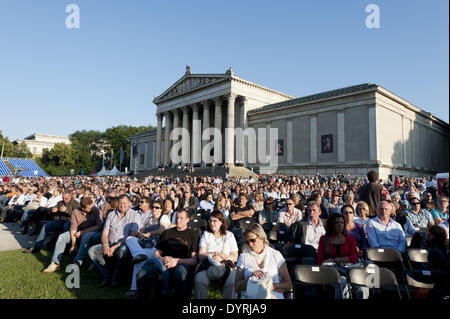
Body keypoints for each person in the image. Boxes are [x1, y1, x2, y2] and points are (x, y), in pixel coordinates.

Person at [136, 209, 199, 299]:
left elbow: (194, 261)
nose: (178, 220)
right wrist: (162, 258)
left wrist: (177, 261)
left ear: (187, 220)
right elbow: (157, 253)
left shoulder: (193, 234)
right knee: (141, 274)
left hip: (182, 263)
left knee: (180, 273)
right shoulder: (166, 233)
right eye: (177, 218)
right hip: (163, 262)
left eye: (181, 218)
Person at [88, 195, 140, 288]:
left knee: (122, 251)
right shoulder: (111, 214)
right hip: (110, 243)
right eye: (120, 203)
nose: (122, 205)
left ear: (129, 204)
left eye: (124, 203)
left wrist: (115, 246)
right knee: (92, 251)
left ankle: (116, 279)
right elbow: (104, 233)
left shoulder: (134, 215)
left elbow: (132, 236)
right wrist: (105, 245)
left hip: (124, 244)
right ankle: (107, 275)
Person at [41, 197, 102, 272]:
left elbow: (98, 226)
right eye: (89, 208)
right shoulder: (76, 212)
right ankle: (55, 263)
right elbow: (73, 229)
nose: (92, 208)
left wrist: (83, 232)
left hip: (92, 231)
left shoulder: (95, 210)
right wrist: (73, 245)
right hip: (77, 232)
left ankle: (77, 262)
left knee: (86, 237)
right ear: (83, 208)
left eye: (92, 206)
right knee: (62, 237)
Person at [125, 199, 171, 296]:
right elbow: (142, 231)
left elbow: (161, 230)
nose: (154, 209)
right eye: (153, 207)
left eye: (157, 207)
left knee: (139, 260)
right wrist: (141, 235)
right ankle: (138, 254)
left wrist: (147, 234)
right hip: (143, 244)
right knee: (129, 238)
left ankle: (134, 288)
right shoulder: (148, 219)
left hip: (155, 247)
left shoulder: (164, 217)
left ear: (161, 209)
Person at [234, 223, 292, 299]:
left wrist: (270, 286)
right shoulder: (243, 257)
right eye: (247, 242)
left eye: (252, 240)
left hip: (273, 295)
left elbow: (288, 284)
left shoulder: (276, 255)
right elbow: (237, 287)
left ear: (261, 237)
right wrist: (250, 279)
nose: (250, 244)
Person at [194, 210, 238, 299]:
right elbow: (201, 255)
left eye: (214, 221)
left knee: (231, 282)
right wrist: (213, 254)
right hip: (207, 264)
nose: (211, 223)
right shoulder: (206, 234)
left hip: (225, 265)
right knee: (199, 280)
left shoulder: (229, 235)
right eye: (210, 221)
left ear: (221, 222)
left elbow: (235, 257)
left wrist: (223, 256)